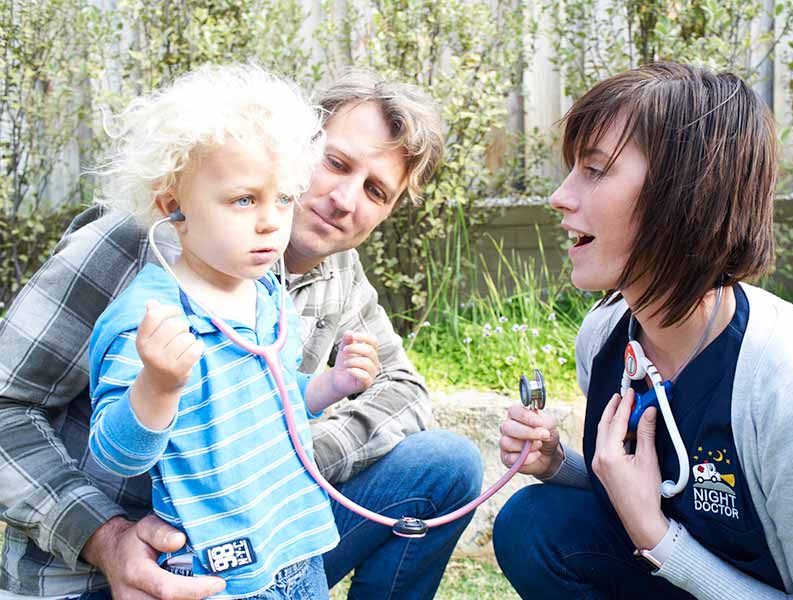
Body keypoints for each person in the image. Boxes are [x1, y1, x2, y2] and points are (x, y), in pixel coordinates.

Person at [0, 69, 482, 599]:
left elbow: (404, 390)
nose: (345, 199)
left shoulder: (336, 271)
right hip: (102, 567)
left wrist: (277, 459)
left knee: (445, 466)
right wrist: (102, 536)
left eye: (374, 190)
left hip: (260, 544)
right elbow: (5, 406)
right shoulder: (130, 247)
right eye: (337, 163)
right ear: (296, 145)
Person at [492, 62, 793, 599]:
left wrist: (658, 539)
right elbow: (659, 488)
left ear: (685, 192)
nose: (560, 196)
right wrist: (559, 461)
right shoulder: (604, 336)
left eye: (594, 170)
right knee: (536, 525)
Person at [85, 63, 384, 598]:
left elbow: (274, 402)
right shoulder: (151, 319)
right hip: (218, 569)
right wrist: (156, 388)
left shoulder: (262, 293)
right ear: (173, 205)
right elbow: (115, 455)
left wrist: (329, 387)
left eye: (284, 198)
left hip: (294, 543)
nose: (271, 222)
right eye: (244, 200)